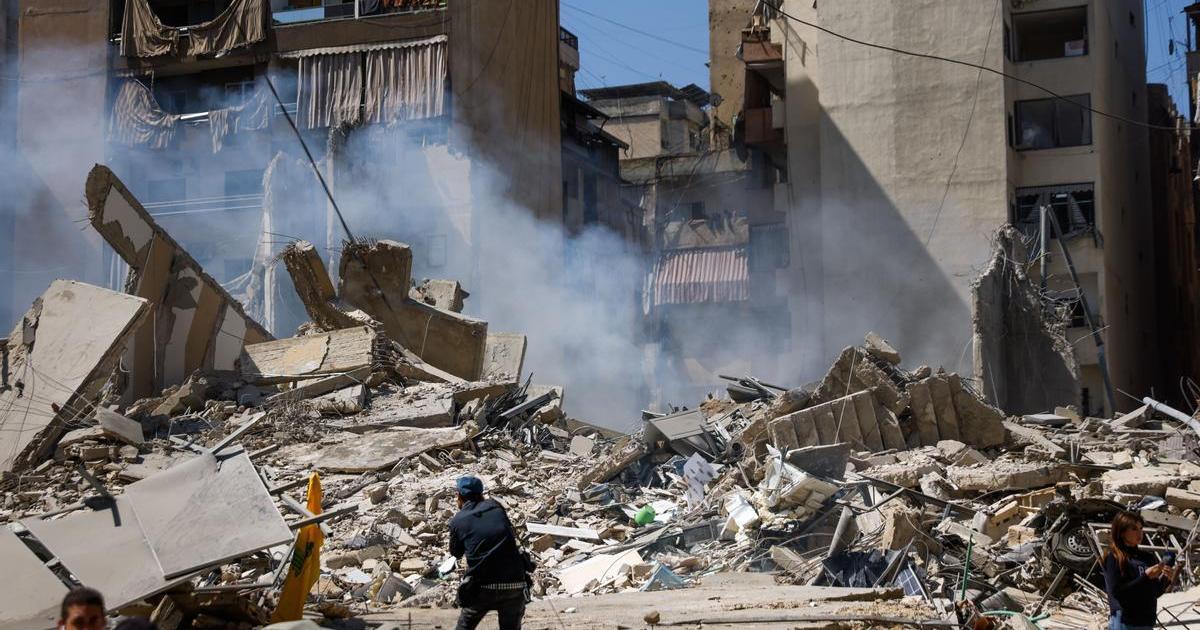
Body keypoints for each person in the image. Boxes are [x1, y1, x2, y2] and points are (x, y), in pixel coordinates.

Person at [448, 475, 528, 630]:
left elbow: (456, 553)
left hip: (482, 586)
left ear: (459, 496)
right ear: (481, 493)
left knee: (464, 626)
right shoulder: (496, 507)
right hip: (515, 583)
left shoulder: (458, 520)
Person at [1102, 511, 1174, 630]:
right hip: (1125, 622)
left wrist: (1166, 579)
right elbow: (1118, 592)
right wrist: (1145, 577)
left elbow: (1154, 592)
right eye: (1134, 529)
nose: (1140, 533)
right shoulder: (1114, 557)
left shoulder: (1147, 557)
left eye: (1141, 528)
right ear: (1122, 532)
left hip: (1146, 622)